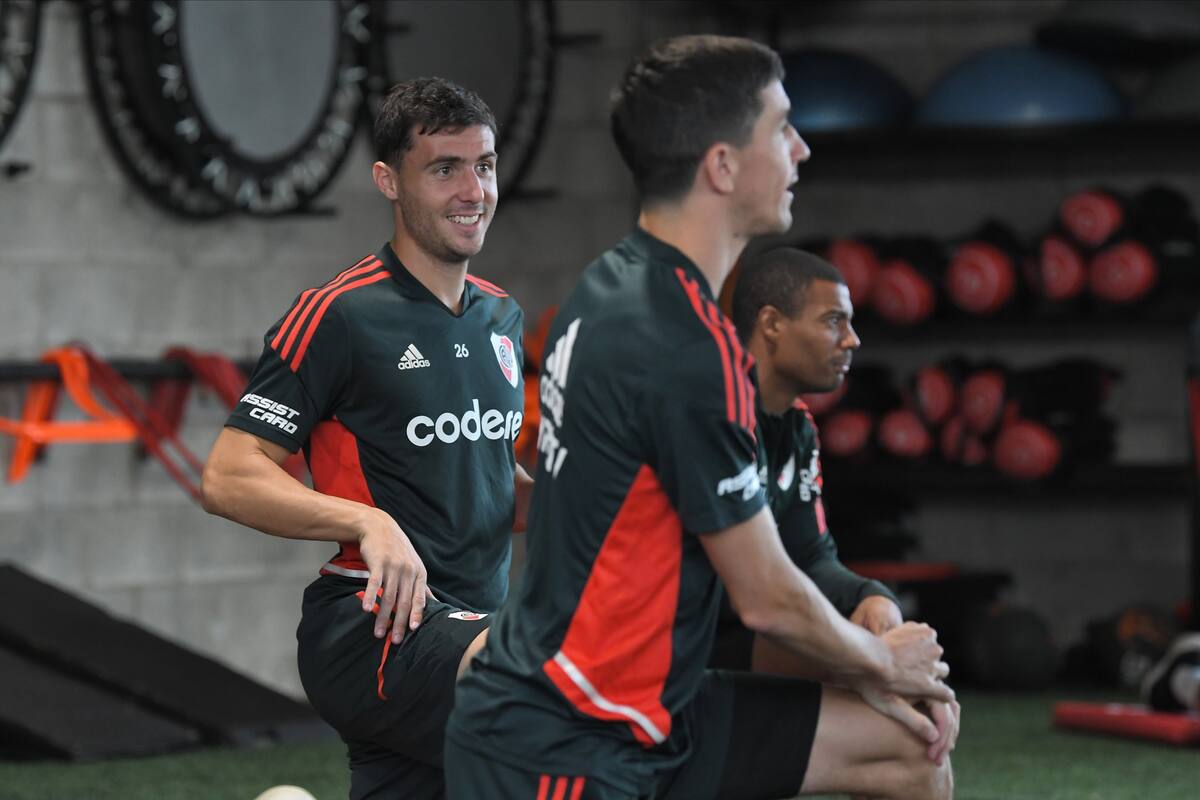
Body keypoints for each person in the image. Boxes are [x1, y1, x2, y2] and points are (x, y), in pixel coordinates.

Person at [446, 35, 956, 800]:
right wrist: (886, 662)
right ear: (722, 166)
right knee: (902, 707)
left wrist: (868, 648)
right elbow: (767, 599)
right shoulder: (681, 341)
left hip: (664, 715)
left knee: (908, 749)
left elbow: (785, 573)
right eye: (781, 128)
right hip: (568, 739)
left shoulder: (615, 282)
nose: (802, 149)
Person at [200, 77, 532, 800]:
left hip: (473, 623)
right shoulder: (337, 315)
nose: (473, 189)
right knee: (547, 693)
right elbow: (227, 475)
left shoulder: (503, 319)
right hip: (375, 627)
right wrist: (366, 520)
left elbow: (485, 473)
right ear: (389, 180)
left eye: (486, 165)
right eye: (445, 169)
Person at [709, 246, 907, 676]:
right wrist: (860, 654)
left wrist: (871, 598)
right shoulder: (716, 416)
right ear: (772, 324)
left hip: (743, 635)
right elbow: (737, 588)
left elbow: (811, 557)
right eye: (833, 321)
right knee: (889, 682)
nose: (852, 339)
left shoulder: (797, 426)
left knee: (900, 662)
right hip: (678, 657)